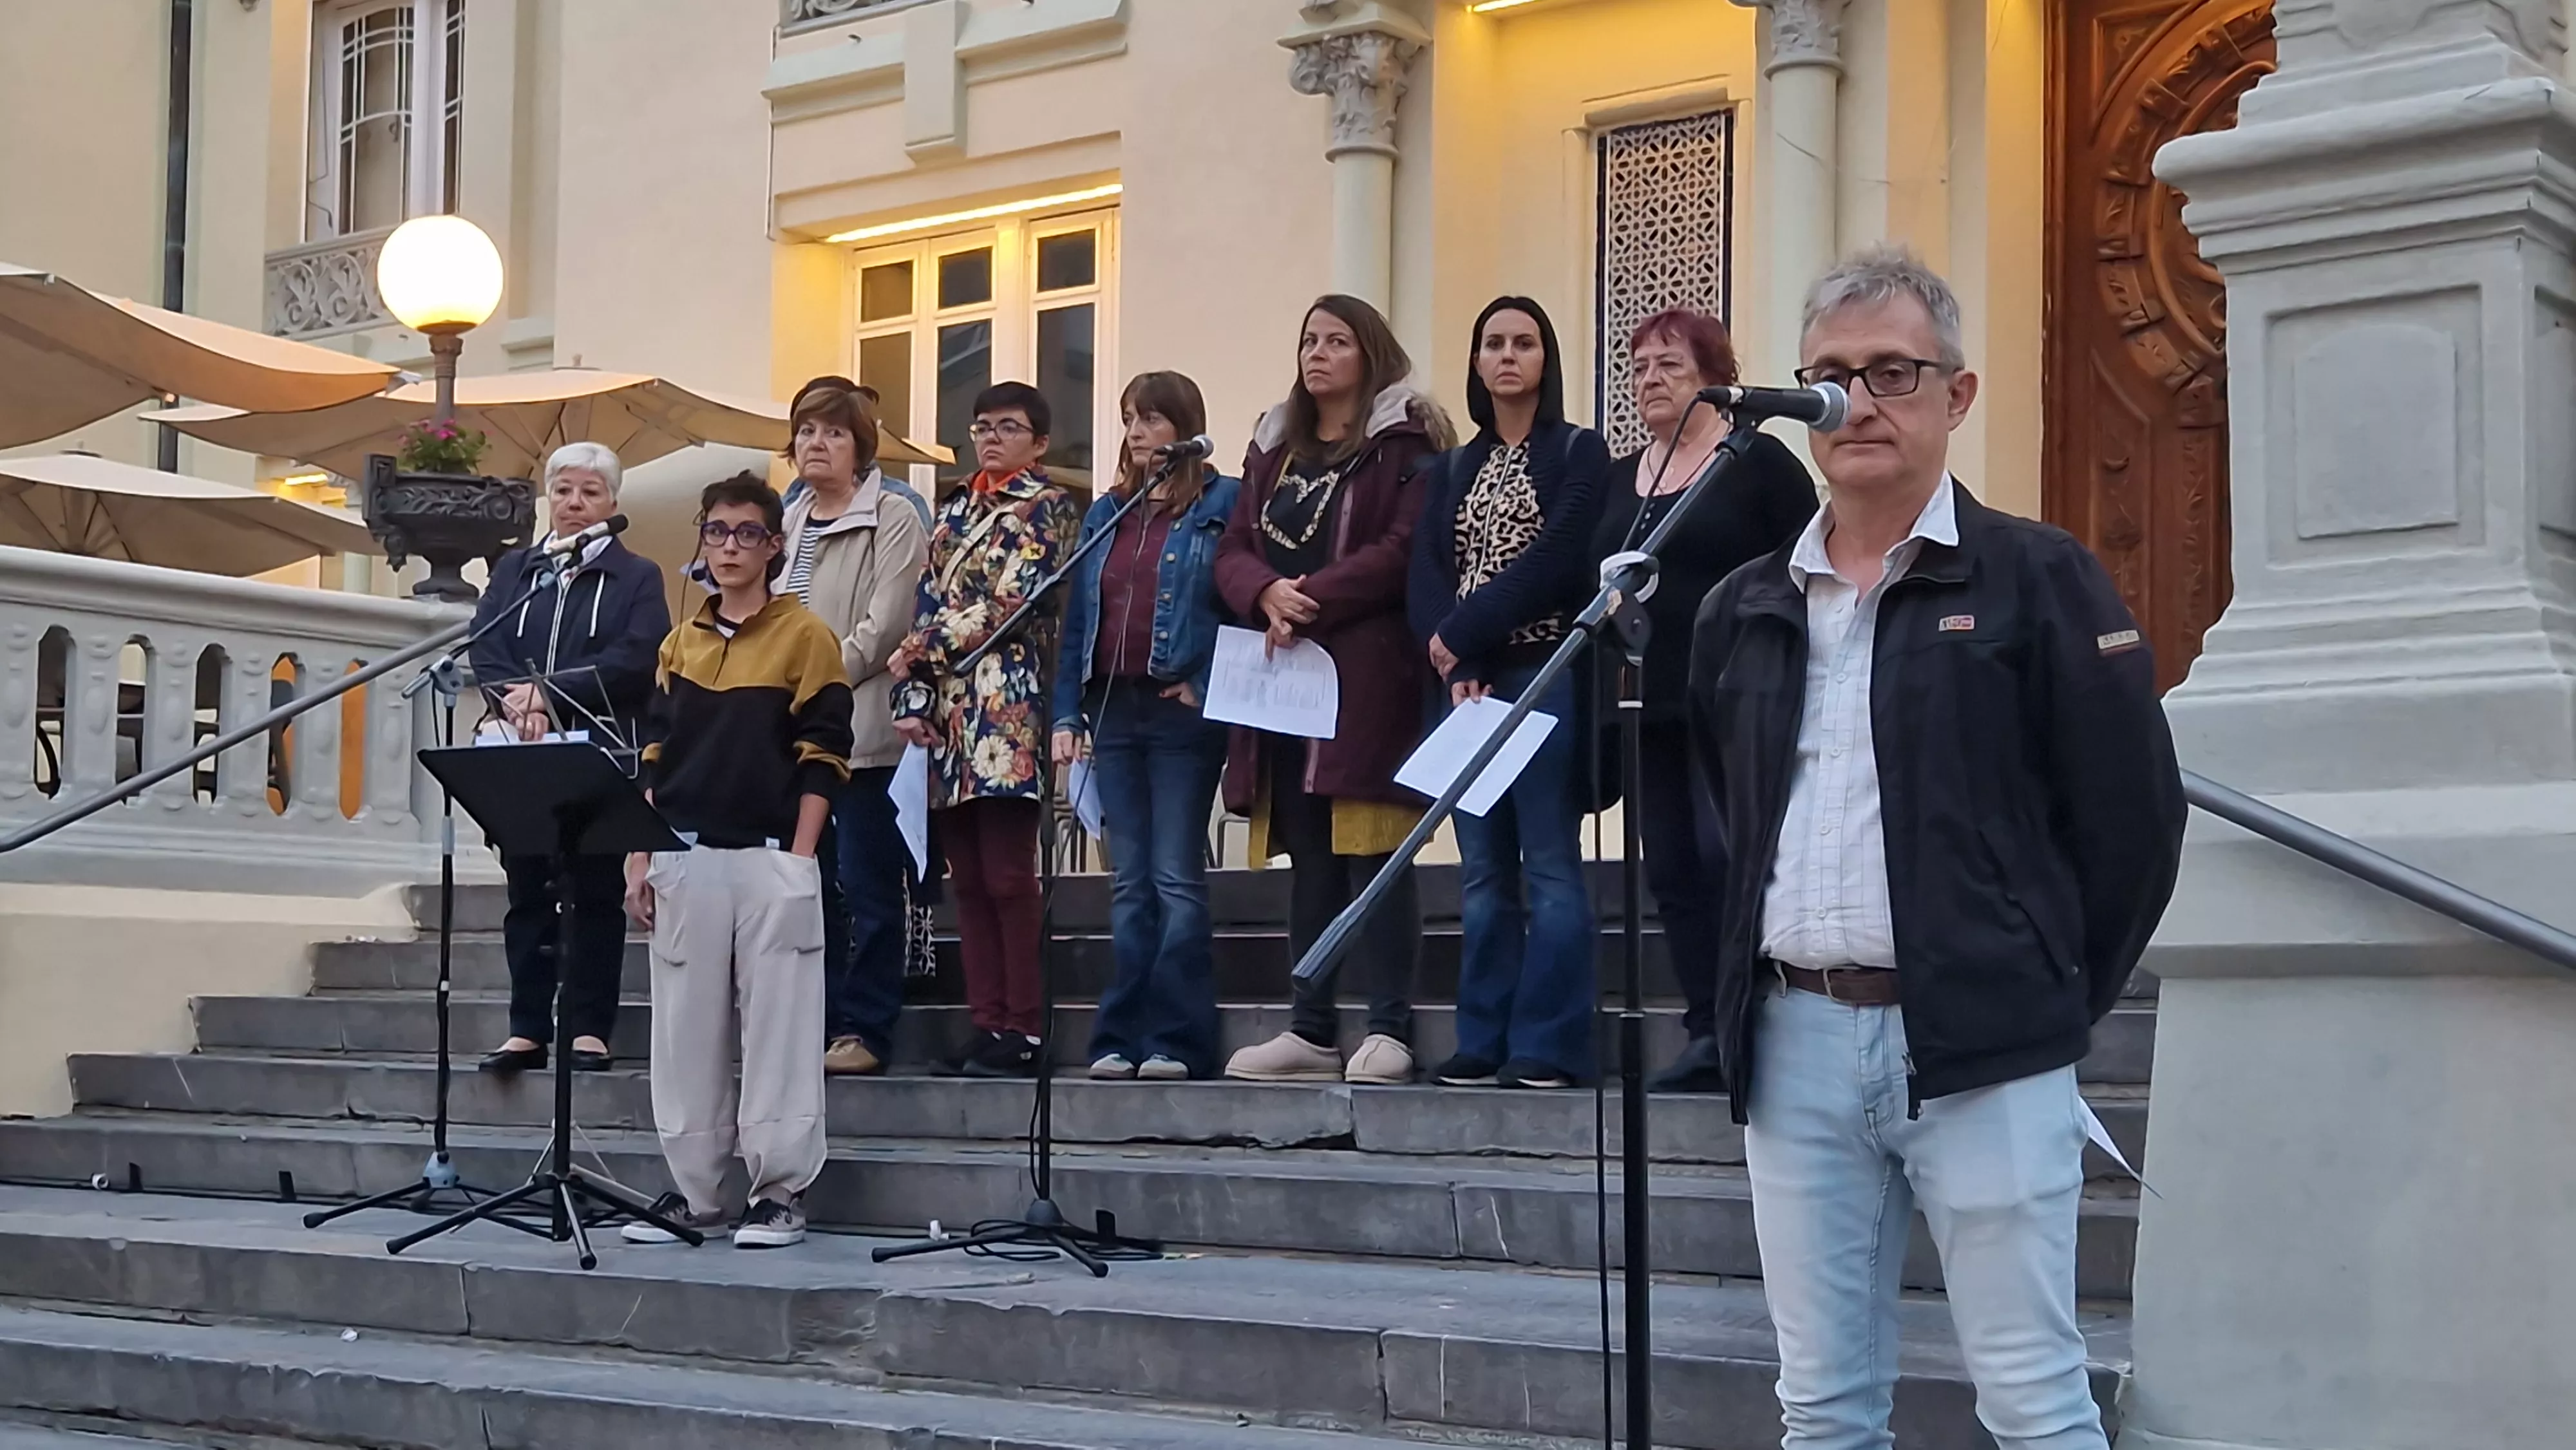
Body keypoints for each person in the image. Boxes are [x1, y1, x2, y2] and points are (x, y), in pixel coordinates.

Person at [1688, 247, 2184, 1448]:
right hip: (1796, 1043)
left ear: (1957, 397)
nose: (1859, 402)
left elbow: (2133, 823)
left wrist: (2036, 985)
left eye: (1895, 373)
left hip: (1984, 1046)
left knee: (2032, 1397)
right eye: (1833, 376)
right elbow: (1726, 810)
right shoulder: (1741, 604)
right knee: (1821, 1408)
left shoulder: (2037, 577)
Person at [1215, 295, 1454, 1086]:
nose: (1317, 353)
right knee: (1311, 857)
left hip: (1367, 676)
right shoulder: (1274, 448)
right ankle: (1310, 1027)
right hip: (1286, 679)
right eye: (1308, 339)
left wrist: (1307, 593)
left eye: (1336, 341)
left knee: (1376, 851)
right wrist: (1263, 594)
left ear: (1369, 353)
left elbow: (1401, 548)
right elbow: (1237, 545)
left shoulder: (1402, 443)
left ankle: (1388, 1026)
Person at [622, 472, 853, 1250]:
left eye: (746, 533)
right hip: (683, 853)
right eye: (716, 531)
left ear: (774, 544)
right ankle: (696, 1192)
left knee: (780, 1027)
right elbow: (653, 758)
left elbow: (825, 755)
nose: (728, 547)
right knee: (684, 1030)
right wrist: (638, 859)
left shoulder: (806, 636)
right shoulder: (678, 643)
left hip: (768, 855)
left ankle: (779, 1189)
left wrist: (799, 858)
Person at [1589, 309, 1817, 1093]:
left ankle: (1755, 1019)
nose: (1651, 379)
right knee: (1675, 867)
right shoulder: (1623, 477)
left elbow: (1804, 570)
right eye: (1641, 366)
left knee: (1730, 856)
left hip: (1734, 692)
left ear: (1713, 375)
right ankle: (1701, 1026)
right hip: (1645, 698)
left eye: (1670, 365)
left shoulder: (1756, 463)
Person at [1408, 296, 1608, 1089]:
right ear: (1476, 361)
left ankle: (1548, 1044)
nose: (1507, 356)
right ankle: (1481, 1039)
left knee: (1551, 864)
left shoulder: (1578, 452)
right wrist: (1454, 660)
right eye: (1492, 343)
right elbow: (1427, 571)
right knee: (1483, 870)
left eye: (1524, 342)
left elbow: (1560, 560)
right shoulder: (1452, 466)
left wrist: (1470, 632)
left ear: (1545, 359)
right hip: (1467, 689)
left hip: (1545, 676)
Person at [1049, 373, 1242, 1082]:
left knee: (1174, 875)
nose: (1135, 431)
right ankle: (1118, 1033)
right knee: (1128, 880)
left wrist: (1209, 679)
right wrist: (1066, 710)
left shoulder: (1222, 502)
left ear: (1184, 426)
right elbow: (1077, 625)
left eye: (1152, 418)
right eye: (1129, 418)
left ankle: (1179, 1036)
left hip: (1179, 710)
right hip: (1114, 709)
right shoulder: (1108, 511)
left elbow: (1242, 601)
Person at [891, 381, 1079, 1079]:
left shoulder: (1048, 506)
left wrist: (920, 647)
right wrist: (911, 691)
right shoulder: (956, 508)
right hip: (947, 712)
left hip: (1008, 703)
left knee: (1006, 871)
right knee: (965, 875)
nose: (992, 437)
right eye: (981, 427)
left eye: (1008, 426)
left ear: (1038, 440)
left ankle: (1026, 1026)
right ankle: (987, 1020)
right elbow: (925, 599)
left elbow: (1016, 601)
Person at [468, 440, 670, 1075]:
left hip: (599, 748)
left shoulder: (637, 576)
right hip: (522, 745)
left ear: (612, 501)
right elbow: (487, 642)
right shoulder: (517, 571)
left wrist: (549, 694)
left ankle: (588, 1027)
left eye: (588, 492)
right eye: (562, 491)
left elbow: (636, 656)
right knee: (526, 888)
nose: (574, 504)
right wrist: (514, 702)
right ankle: (526, 1026)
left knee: (594, 891)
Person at [778, 381, 930, 1078]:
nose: (818, 443)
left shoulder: (892, 514)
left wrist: (812, 682)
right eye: (807, 430)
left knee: (866, 885)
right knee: (806, 888)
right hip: (787, 736)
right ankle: (814, 1018)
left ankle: (866, 1025)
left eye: (834, 432)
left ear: (860, 445)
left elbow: (885, 622)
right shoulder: (784, 520)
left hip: (860, 730)